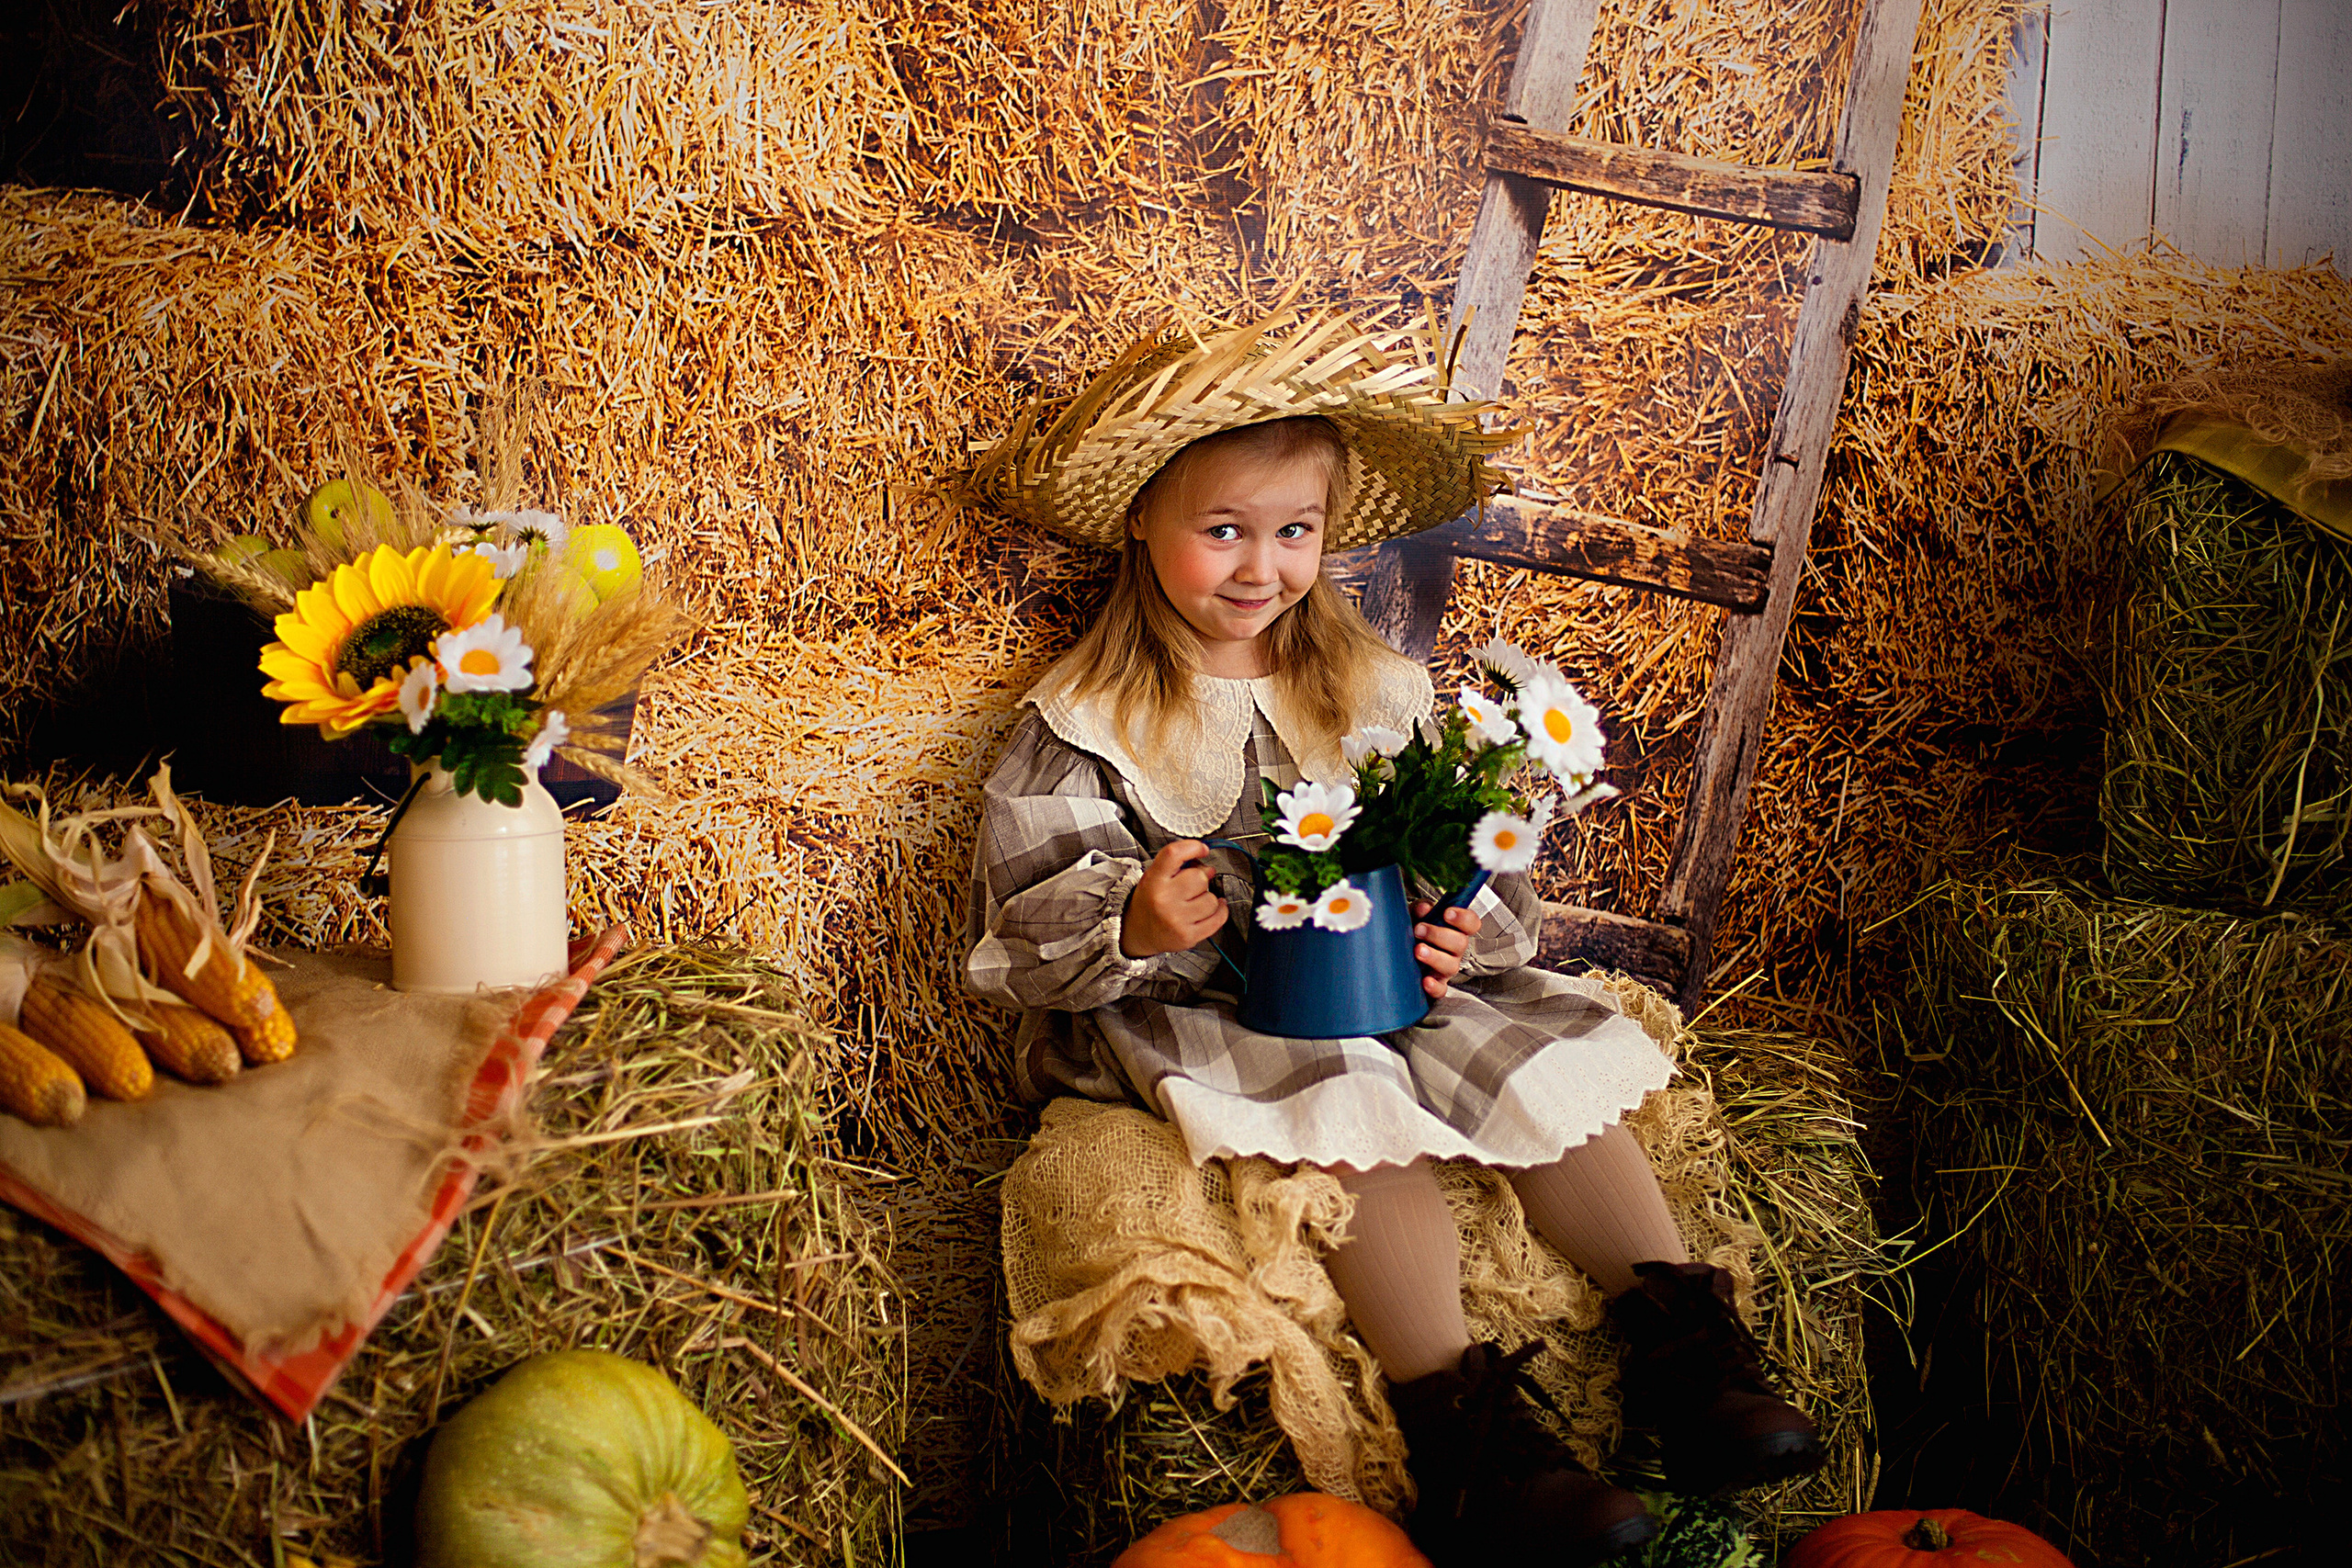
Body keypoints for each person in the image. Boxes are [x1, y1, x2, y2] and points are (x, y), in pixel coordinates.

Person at [963, 312, 1820, 1564]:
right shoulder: (1088, 718)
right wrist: (1136, 920)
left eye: (1293, 533)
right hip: (1209, 1007)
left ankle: (1690, 1354)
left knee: (1531, 1049)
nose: (1262, 567)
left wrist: (1454, 926)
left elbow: (1472, 851)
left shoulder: (1371, 689)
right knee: (1342, 1087)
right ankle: (1470, 1435)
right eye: (1224, 533)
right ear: (1143, 522)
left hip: (1377, 979)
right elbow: (1021, 934)